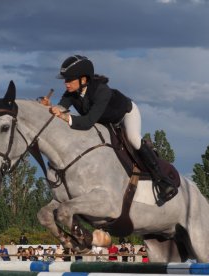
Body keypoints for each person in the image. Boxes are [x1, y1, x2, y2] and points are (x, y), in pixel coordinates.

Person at [43, 55, 177, 203]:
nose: (66, 83)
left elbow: (87, 122)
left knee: (133, 139)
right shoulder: (71, 93)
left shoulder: (101, 91)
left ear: (83, 79)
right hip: (104, 122)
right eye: (65, 80)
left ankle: (163, 181)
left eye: (69, 79)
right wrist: (49, 107)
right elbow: (62, 108)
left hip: (125, 115)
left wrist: (65, 117)